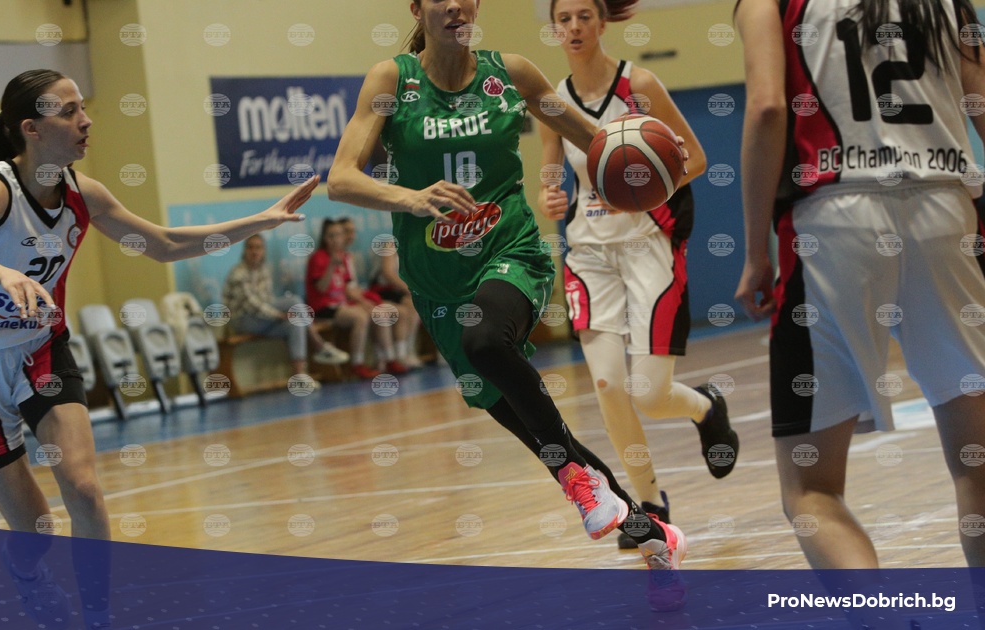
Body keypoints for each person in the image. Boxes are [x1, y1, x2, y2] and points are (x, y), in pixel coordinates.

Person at [0, 69, 317, 629]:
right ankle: (26, 573)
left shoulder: (84, 194)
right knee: (35, 533)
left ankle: (98, 616)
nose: (85, 121)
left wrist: (262, 220)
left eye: (83, 108)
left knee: (83, 488)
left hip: (38, 351)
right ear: (31, 128)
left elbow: (165, 244)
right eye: (69, 112)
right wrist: (5, 274)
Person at [327, 0, 686, 610]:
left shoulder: (511, 73)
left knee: (486, 341)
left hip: (510, 252)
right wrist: (410, 197)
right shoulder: (392, 80)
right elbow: (341, 178)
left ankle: (579, 482)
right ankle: (654, 536)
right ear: (417, 7)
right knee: (539, 432)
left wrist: (651, 145)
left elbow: (595, 140)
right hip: (438, 285)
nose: (455, 4)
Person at [735, 0, 985, 570]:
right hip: (947, 209)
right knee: (976, 466)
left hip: (835, 218)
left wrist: (754, 253)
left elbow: (768, 109)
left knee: (811, 489)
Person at [536, 0, 739, 551]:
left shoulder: (639, 84)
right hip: (589, 253)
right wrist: (549, 196)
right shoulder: (552, 101)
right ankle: (648, 504)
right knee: (607, 386)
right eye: (564, 19)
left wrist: (641, 188)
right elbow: (550, 175)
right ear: (554, 29)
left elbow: (695, 159)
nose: (574, 26)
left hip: (648, 243)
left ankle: (705, 407)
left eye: (584, 15)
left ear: (603, 22)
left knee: (649, 392)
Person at [224, 233, 350, 382]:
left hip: (264, 320)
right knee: (294, 301)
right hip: (243, 320)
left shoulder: (263, 270)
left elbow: (268, 300)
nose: (254, 252)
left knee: (296, 323)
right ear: (244, 251)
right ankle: (319, 346)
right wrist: (279, 315)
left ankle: (299, 376)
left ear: (263, 251)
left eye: (258, 248)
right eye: (250, 248)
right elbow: (253, 306)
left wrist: (282, 315)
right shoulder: (238, 273)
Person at [306, 218, 405, 377]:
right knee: (361, 317)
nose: (336, 239)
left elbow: (347, 287)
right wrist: (331, 265)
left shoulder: (343, 256)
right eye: (331, 236)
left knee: (378, 312)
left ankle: (389, 358)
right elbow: (321, 288)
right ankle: (357, 364)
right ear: (325, 238)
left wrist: (365, 302)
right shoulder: (319, 258)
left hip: (342, 303)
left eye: (338, 235)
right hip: (323, 306)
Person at [368, 236, 425, 368]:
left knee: (413, 305)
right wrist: (410, 290)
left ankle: (406, 350)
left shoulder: (413, 247)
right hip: (382, 290)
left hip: (397, 292)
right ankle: (397, 354)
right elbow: (388, 273)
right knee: (409, 305)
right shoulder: (390, 244)